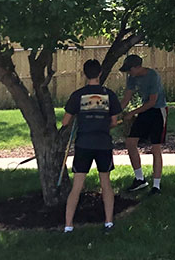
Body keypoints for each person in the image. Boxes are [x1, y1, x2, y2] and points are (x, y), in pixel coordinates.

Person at [61, 59, 122, 233]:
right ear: (100, 73)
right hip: (103, 144)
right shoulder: (109, 94)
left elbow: (66, 121)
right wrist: (102, 126)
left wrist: (76, 121)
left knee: (77, 185)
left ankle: (68, 225)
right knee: (106, 184)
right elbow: (114, 121)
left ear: (84, 74)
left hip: (83, 144)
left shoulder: (78, 95)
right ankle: (108, 222)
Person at [119, 54, 168, 195]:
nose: (129, 73)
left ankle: (156, 186)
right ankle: (140, 179)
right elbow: (126, 98)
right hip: (145, 111)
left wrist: (132, 113)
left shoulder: (153, 76)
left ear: (137, 67)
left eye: (130, 70)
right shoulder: (132, 78)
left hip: (158, 110)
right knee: (130, 142)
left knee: (155, 147)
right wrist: (115, 114)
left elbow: (152, 102)